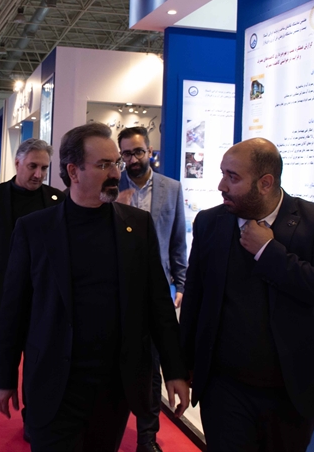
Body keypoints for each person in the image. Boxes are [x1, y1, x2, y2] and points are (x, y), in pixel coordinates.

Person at [0, 123, 189, 452]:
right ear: (73, 171)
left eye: (116, 163)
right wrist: (3, 375)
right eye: (104, 164)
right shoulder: (34, 229)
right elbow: (14, 308)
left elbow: (157, 304)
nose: (116, 173)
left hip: (114, 387)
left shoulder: (137, 225)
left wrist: (174, 370)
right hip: (54, 384)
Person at [180, 138, 314, 452]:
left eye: (233, 177)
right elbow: (195, 298)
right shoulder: (210, 222)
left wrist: (268, 251)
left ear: (265, 183)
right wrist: (182, 366)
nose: (221, 186)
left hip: (291, 390)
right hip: (224, 388)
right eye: (222, 174)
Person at [0, 138, 65, 451]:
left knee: (39, 368)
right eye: (33, 166)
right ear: (17, 163)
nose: (39, 174)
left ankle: (34, 423)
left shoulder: (57, 200)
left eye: (44, 168)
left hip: (42, 302)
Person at [115, 126, 186, 452]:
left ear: (150, 151)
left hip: (158, 289)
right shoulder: (112, 186)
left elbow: (177, 240)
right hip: (119, 287)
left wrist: (181, 282)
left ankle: (147, 436)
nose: (132, 159)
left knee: (154, 364)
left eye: (138, 152)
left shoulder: (171, 188)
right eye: (126, 154)